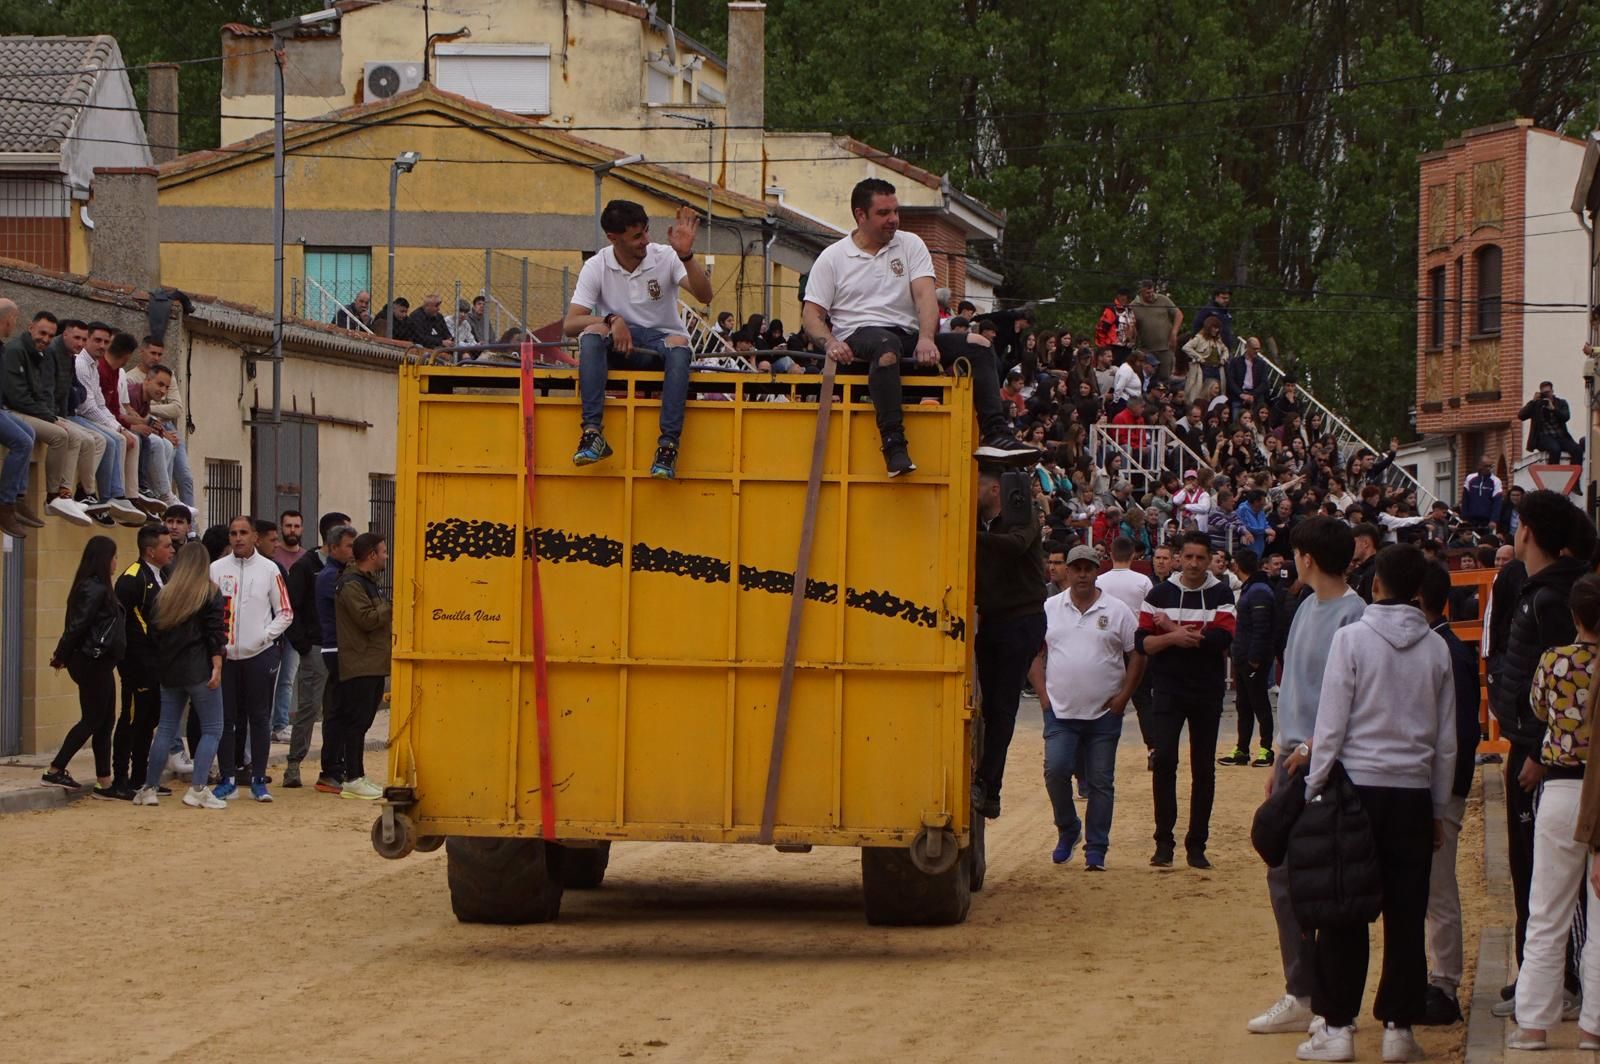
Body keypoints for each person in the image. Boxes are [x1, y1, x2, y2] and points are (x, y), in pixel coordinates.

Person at [1297, 544, 1456, 1064]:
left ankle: (1338, 1027)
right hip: (1412, 792)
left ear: (1377, 584)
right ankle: (1399, 1029)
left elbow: (1331, 722)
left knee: (1345, 909)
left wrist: (1314, 786)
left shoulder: (1352, 639)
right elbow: (1446, 741)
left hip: (1356, 789)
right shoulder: (1436, 649)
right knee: (1406, 914)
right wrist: (1436, 809)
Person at [801, 178, 1034, 476]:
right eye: (884, 213)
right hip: (861, 339)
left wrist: (927, 338)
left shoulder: (911, 244)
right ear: (860, 215)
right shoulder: (833, 258)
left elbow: (925, 296)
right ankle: (893, 445)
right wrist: (831, 343)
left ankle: (996, 434)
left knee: (979, 344)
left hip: (908, 338)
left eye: (895, 211)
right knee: (886, 345)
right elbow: (812, 315)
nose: (893, 219)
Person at [1245, 516, 1366, 1036]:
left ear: (1307, 557)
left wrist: (1314, 748)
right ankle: (1302, 990)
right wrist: (1279, 756)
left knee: (1326, 878)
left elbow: (1352, 697)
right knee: (1284, 874)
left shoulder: (1355, 614)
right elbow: (1293, 687)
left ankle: (1324, 998)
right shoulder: (1302, 609)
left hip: (1329, 760)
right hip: (1292, 757)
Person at [1491, 490, 1591, 1014]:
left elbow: (1566, 694)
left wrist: (1537, 751)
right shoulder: (1536, 590)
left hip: (1545, 759)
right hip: (1528, 747)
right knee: (1526, 869)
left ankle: (1559, 983)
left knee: (1544, 874)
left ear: (1527, 531)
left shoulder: (1553, 598)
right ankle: (1534, 975)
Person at [565, 201, 713, 480]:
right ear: (613, 238)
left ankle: (668, 446)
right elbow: (570, 324)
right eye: (636, 236)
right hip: (620, 347)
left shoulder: (666, 256)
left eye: (646, 231)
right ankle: (592, 433)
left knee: (679, 344)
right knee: (592, 333)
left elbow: (705, 296)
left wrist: (686, 256)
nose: (645, 240)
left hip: (660, 348)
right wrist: (612, 319)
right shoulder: (597, 265)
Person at [1028, 544, 1143, 870]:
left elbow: (1137, 653)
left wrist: (1123, 697)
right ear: (1067, 571)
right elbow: (1032, 652)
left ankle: (1097, 847)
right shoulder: (1050, 608)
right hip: (1060, 711)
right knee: (1056, 771)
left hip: (1104, 712)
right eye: (1076, 568)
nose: (1082, 575)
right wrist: (1043, 695)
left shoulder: (1117, 610)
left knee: (1101, 782)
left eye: (1088, 569)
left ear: (1097, 571)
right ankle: (1068, 827)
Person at [1136, 531, 1235, 868]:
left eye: (1200, 558)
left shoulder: (1221, 592)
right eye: (1188, 557)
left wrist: (1171, 630)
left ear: (1209, 560)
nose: (1193, 564)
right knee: (1164, 761)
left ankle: (1197, 845)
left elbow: (1223, 638)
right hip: (1168, 689)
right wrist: (1176, 636)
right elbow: (1142, 643)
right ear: (1179, 558)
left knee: (1203, 768)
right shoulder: (1159, 593)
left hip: (1207, 690)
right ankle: (1164, 843)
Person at [1418, 563, 1483, 1027]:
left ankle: (1445, 983)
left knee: (1438, 889)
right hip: (1431, 784)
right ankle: (1434, 978)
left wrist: (1449, 796)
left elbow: (1461, 731)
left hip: (1442, 788)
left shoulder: (1447, 650)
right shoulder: (1436, 645)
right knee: (1427, 889)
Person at [973, 468, 1048, 819]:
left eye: (975, 484)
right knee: (992, 707)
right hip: (995, 619)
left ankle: (989, 784)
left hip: (1021, 618)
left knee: (1001, 706)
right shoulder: (982, 522)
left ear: (994, 490)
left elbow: (1015, 545)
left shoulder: (1023, 515)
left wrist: (969, 536)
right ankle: (988, 787)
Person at [134, 542, 228, 809]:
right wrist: (217, 665)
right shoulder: (210, 592)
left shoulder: (166, 594)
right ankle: (198, 788)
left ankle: (149, 788)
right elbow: (215, 633)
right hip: (199, 668)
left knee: (165, 728)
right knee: (212, 728)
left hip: (170, 669)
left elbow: (155, 633)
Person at [211, 515, 293, 802]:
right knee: (225, 719)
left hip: (259, 655)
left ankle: (259, 779)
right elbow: (207, 610)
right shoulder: (216, 569)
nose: (238, 538)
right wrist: (216, 644)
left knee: (259, 718)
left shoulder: (270, 569)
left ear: (255, 537)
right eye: (233, 533)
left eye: (243, 532)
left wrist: (264, 637)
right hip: (225, 657)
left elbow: (285, 612)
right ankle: (227, 778)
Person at [39, 536, 125, 796]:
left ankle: (104, 782)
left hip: (99, 662)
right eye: (114, 557)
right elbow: (77, 626)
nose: (116, 562)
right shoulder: (95, 589)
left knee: (105, 721)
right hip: (91, 662)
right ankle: (55, 769)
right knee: (92, 719)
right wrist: (60, 655)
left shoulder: (95, 587)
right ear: (104, 559)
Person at [0, 309, 95, 526]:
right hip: (15, 410)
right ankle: (52, 496)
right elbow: (17, 396)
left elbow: (45, 392)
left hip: (31, 411)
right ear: (30, 328)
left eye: (50, 336)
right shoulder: (16, 350)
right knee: (58, 435)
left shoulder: (37, 354)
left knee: (79, 436)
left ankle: (61, 495)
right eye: (42, 333)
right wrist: (50, 417)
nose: (45, 339)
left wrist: (51, 415)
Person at [282, 513, 350, 789]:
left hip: (340, 648)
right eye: (346, 536)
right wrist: (303, 644)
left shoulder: (346, 569)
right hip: (315, 647)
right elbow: (291, 607)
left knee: (336, 709)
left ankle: (332, 767)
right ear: (332, 538)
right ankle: (293, 764)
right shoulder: (306, 567)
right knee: (309, 709)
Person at [108, 523, 174, 799]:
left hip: (158, 662)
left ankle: (140, 777)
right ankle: (120, 778)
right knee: (132, 718)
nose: (172, 550)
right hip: (137, 663)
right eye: (166, 546)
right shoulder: (131, 579)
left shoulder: (164, 575)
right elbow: (127, 626)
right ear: (150, 550)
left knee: (149, 719)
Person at [331, 532, 392, 801]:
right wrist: (390, 607)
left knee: (363, 722)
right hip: (360, 663)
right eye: (383, 551)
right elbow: (366, 619)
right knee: (356, 722)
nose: (386, 556)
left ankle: (358, 775)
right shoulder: (351, 584)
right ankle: (353, 778)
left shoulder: (368, 582)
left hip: (373, 663)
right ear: (371, 555)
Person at [1218, 548, 1278, 768]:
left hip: (1252, 658)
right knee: (1244, 705)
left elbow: (1262, 627)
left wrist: (1254, 658)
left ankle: (1266, 750)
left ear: (1237, 565)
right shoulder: (1253, 588)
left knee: (1259, 704)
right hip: (1244, 656)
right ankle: (1242, 749)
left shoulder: (1258, 590)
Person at [269, 509, 307, 741]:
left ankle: (281, 724)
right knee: (270, 680)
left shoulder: (306, 558)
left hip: (295, 630)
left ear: (302, 528)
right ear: (281, 527)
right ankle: (266, 725)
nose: (292, 530)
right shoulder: (273, 556)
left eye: (296, 526)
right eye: (288, 525)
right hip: (273, 627)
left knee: (287, 680)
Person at [1130, 279, 1182, 387]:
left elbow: (1178, 314)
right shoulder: (1133, 306)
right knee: (1147, 378)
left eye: (1152, 292)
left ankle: (1165, 395)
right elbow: (1131, 327)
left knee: (1165, 378)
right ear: (1141, 292)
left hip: (1165, 348)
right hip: (1146, 349)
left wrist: (1174, 333)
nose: (1150, 295)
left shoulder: (1162, 299)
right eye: (1147, 293)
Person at [1520, 381, 1584, 465]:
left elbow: (1566, 417)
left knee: (1577, 450)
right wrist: (1533, 401)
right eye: (1544, 393)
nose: (1547, 395)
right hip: (1544, 437)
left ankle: (1574, 472)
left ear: (1552, 391)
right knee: (1555, 449)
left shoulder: (1561, 403)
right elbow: (1521, 416)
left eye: (1548, 392)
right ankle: (1553, 472)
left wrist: (1553, 409)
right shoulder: (1536, 405)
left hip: (1561, 436)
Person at [1460, 458, 1503, 528]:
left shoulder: (1496, 481)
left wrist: (1494, 520)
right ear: (1479, 465)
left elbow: (1497, 502)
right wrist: (1464, 517)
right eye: (1486, 466)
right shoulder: (1470, 478)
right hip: (1471, 519)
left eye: (1490, 466)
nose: (1488, 468)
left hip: (1487, 520)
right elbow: (1465, 499)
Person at [1191, 286, 1236, 351]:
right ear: (1216, 297)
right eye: (1223, 298)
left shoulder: (1226, 313)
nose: (1226, 300)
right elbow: (1196, 326)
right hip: (1210, 349)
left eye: (1228, 298)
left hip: (1225, 349)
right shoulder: (1208, 310)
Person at [1347, 522, 1381, 602]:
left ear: (1365, 543)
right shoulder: (1357, 571)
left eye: (1353, 543)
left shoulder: (1377, 571)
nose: (1350, 547)